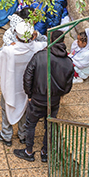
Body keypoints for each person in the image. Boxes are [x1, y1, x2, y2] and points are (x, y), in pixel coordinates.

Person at [14, 29, 74, 162]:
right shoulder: (68, 62)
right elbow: (68, 85)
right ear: (63, 42)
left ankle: (29, 152)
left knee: (30, 124)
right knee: (49, 126)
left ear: (51, 40)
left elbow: (27, 76)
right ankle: (45, 152)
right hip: (54, 100)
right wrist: (60, 94)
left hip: (37, 98)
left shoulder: (40, 56)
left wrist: (29, 94)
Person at [0, 22, 46, 147]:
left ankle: (6, 135)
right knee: (25, 108)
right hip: (28, 86)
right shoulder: (37, 47)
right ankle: (23, 134)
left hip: (11, 85)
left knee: (6, 106)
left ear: (16, 36)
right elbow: (47, 40)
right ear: (31, 36)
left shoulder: (9, 50)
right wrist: (38, 35)